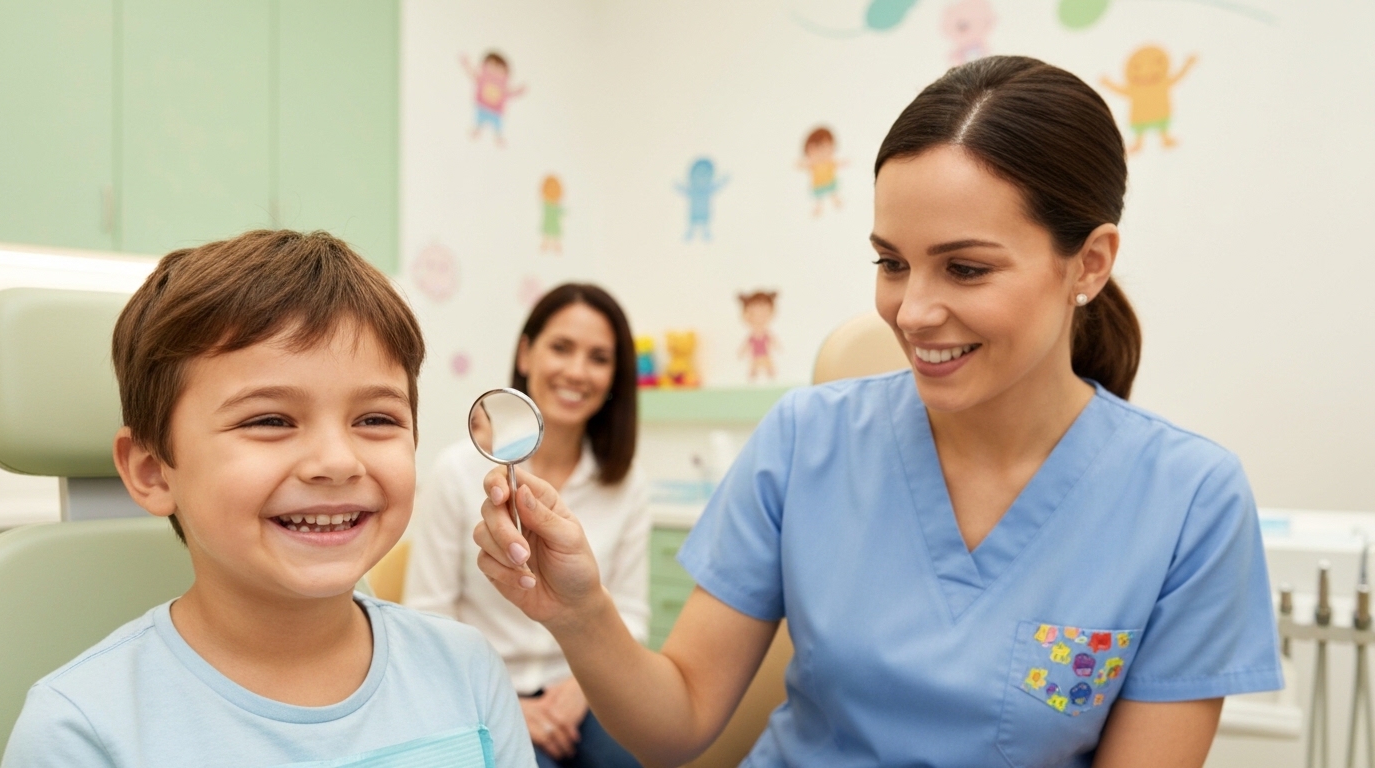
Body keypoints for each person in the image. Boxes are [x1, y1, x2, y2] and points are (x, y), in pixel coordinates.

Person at [469, 57, 1283, 768]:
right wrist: (581, 613)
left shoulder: (1189, 503)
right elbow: (675, 725)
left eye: (965, 269)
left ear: (1090, 263)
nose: (913, 311)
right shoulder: (806, 440)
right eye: (891, 263)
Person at [2, 230, 533, 767]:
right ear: (153, 472)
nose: (337, 462)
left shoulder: (467, 673)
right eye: (270, 420)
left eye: (376, 419)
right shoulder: (79, 731)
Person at [405, 283, 648, 768]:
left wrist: (580, 690)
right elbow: (427, 616)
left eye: (599, 358)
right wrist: (510, 707)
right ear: (525, 353)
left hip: (588, 691)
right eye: (561, 348)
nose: (577, 371)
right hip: (484, 695)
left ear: (615, 376)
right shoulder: (457, 471)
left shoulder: (627, 484)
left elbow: (633, 617)